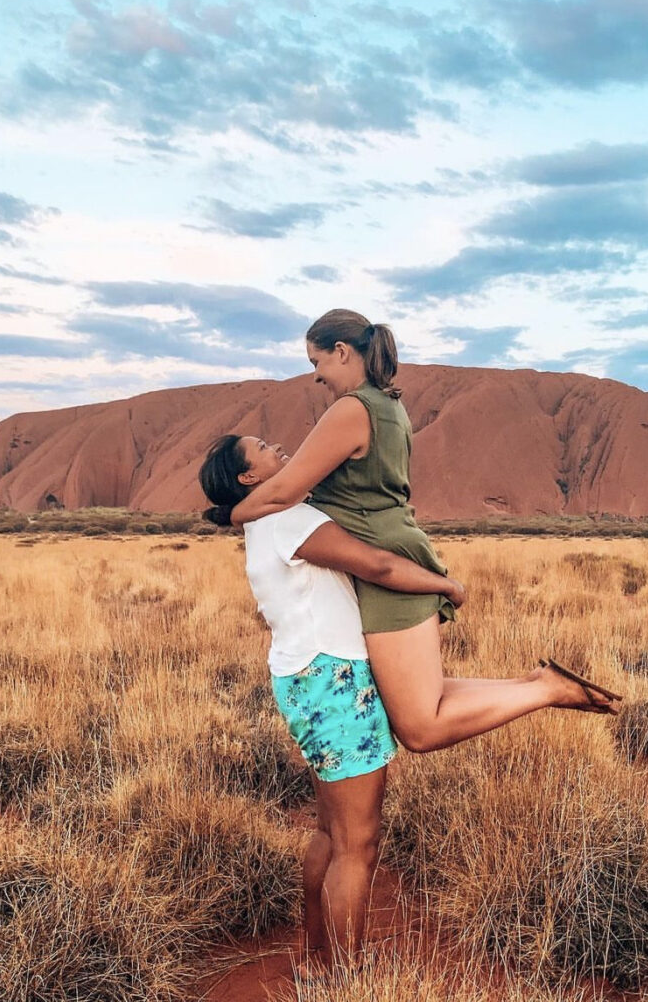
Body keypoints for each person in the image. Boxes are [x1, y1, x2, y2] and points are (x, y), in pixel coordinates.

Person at [229, 309, 621, 755]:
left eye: (317, 363)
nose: (317, 377)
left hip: (388, 566)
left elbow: (283, 491)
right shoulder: (387, 405)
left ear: (341, 352)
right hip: (395, 549)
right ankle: (534, 683)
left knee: (420, 729)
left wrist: (231, 515)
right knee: (417, 703)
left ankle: (546, 689)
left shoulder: (352, 409)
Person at [199, 433, 466, 976]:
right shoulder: (286, 519)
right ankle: (345, 976)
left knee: (331, 833)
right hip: (335, 682)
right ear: (249, 478)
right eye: (263, 448)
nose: (278, 447)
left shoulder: (262, 520)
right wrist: (447, 586)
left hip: (309, 680)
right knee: (356, 844)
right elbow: (378, 567)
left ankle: (318, 956)